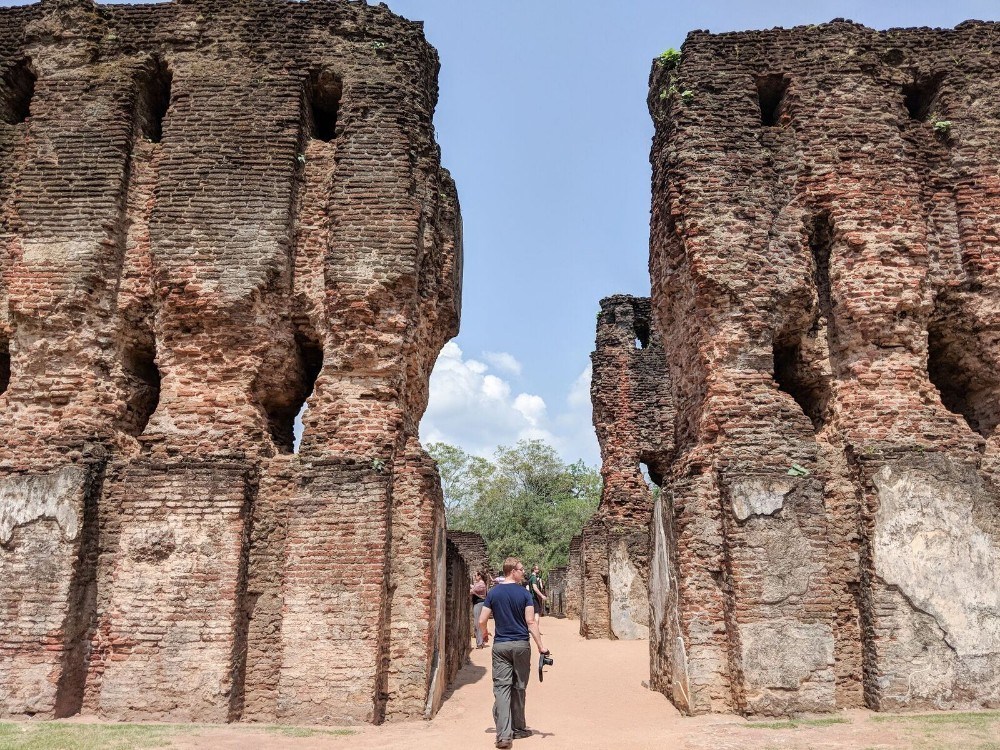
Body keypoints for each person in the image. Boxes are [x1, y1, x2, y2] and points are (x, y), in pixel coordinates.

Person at [479, 557, 549, 749]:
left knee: (502, 689)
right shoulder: (524, 594)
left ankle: (504, 735)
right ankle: (518, 728)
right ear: (511, 571)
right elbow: (531, 622)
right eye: (521, 569)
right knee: (518, 687)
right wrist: (540, 646)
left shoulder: (493, 593)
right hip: (520, 645)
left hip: (501, 645)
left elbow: (482, 619)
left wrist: (484, 633)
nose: (523, 572)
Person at [470, 571, 488, 648]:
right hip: (480, 604)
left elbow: (472, 591)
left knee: (477, 623)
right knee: (480, 623)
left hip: (478, 604)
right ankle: (481, 641)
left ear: (479, 576)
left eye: (476, 575)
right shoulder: (481, 584)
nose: (475, 577)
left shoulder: (480, 584)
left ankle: (480, 643)